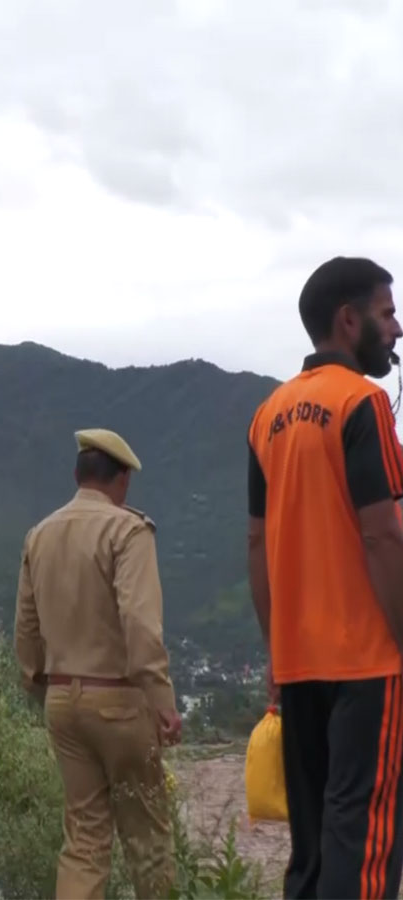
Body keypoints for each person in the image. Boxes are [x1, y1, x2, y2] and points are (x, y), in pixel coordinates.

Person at [247, 255, 403, 899]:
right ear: (349, 319)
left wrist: (277, 653)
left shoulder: (268, 415)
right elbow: (382, 533)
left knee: (311, 852)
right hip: (368, 660)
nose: (396, 330)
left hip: (299, 661)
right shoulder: (362, 402)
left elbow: (256, 545)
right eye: (387, 314)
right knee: (362, 845)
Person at [14, 428, 180, 899]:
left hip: (63, 702)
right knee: (147, 839)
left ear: (77, 476)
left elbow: (26, 628)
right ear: (122, 479)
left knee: (84, 842)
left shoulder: (39, 535)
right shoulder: (127, 530)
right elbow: (141, 625)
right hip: (121, 702)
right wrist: (163, 702)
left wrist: (37, 683)